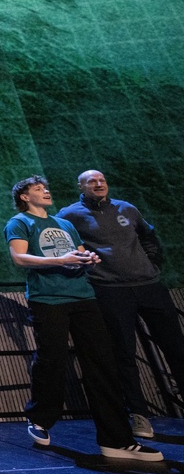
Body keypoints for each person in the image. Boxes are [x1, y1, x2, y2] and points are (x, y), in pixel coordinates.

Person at [4, 175, 162, 461]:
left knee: (103, 364)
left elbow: (77, 252)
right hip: (48, 299)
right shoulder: (20, 222)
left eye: (46, 188)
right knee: (52, 359)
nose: (46, 191)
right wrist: (60, 261)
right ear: (25, 197)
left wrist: (88, 257)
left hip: (84, 297)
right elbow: (20, 258)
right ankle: (39, 418)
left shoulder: (65, 224)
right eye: (39, 189)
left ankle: (117, 440)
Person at [57, 170, 184, 437]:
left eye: (102, 180)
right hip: (111, 291)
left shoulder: (127, 208)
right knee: (123, 354)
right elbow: (59, 243)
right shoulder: (70, 214)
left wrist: (150, 262)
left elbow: (148, 236)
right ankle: (139, 414)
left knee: (176, 347)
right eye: (92, 182)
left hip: (149, 287)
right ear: (81, 186)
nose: (98, 184)